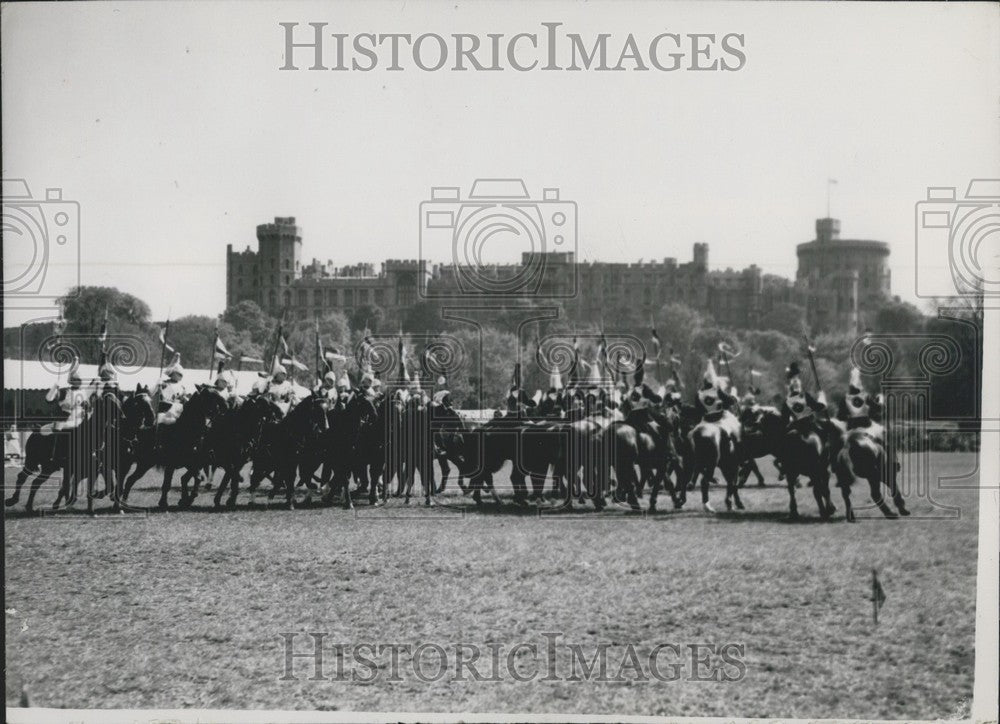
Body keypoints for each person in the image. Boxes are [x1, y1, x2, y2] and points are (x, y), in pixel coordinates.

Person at [39, 368, 90, 435]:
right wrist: (55, 386)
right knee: (44, 431)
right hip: (64, 422)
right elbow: (49, 399)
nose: (78, 383)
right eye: (76, 380)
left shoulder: (84, 393)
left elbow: (88, 408)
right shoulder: (65, 392)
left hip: (79, 422)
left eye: (79, 380)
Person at [156, 359, 190, 426]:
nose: (181, 376)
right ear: (173, 373)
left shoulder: (182, 387)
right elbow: (160, 397)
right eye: (179, 374)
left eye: (181, 375)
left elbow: (183, 399)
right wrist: (159, 386)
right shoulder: (164, 384)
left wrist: (185, 399)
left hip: (178, 411)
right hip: (165, 410)